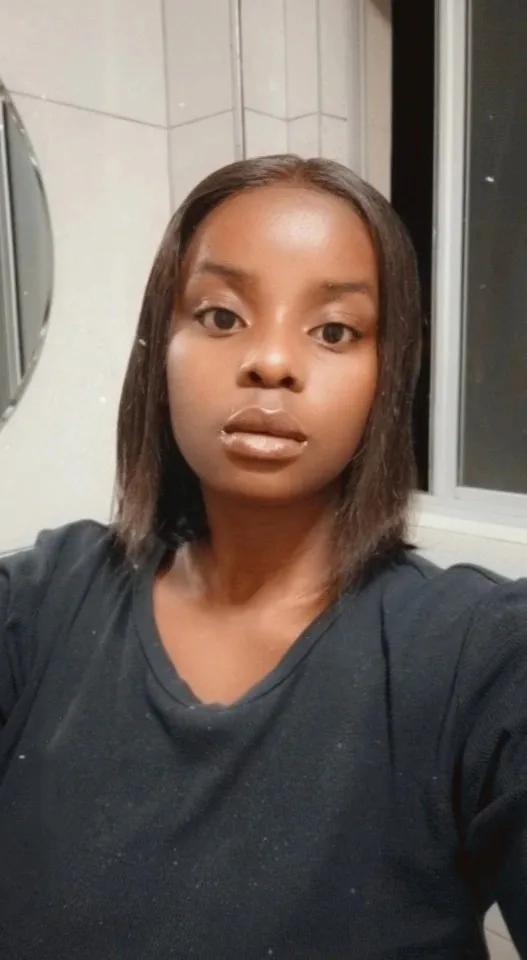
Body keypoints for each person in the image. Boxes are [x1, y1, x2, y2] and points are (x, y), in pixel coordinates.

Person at [0, 154, 525, 960]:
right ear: (159, 349)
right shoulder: (37, 605)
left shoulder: (476, 655)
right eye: (220, 316)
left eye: (334, 331)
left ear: (386, 377)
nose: (271, 361)